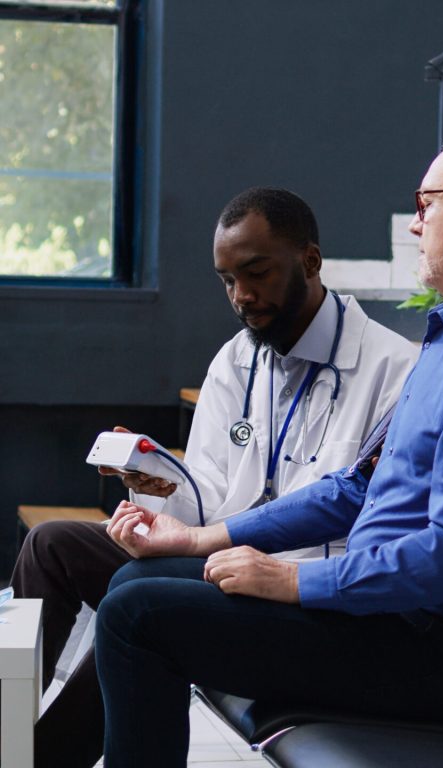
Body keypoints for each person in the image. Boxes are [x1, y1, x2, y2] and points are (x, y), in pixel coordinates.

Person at [96, 128, 443, 767]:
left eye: (425, 204)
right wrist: (198, 540)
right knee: (139, 577)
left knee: (137, 615)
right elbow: (359, 489)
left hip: (428, 648)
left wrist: (292, 580)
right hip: (386, 622)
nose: (415, 225)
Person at [10, 187, 418, 768]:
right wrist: (160, 488)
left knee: (136, 610)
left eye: (256, 274)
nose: (242, 297)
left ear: (309, 261)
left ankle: (34, 759)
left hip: (293, 593)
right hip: (213, 563)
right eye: (227, 281)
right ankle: (10, 732)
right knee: (51, 544)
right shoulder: (236, 359)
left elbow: (366, 522)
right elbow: (203, 491)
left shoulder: (393, 369)